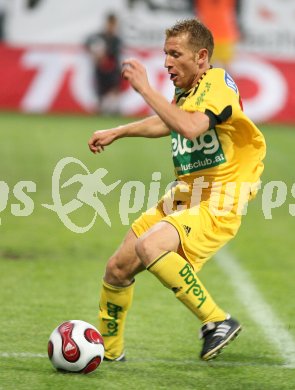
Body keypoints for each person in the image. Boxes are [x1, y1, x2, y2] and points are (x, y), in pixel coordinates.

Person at [88, 18, 266, 362]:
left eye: (175, 54)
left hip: (221, 197)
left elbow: (188, 126)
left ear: (201, 57)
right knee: (117, 269)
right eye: (165, 54)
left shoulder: (216, 85)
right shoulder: (189, 87)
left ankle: (218, 320)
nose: (167, 62)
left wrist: (144, 89)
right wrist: (119, 131)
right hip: (187, 193)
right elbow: (169, 120)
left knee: (150, 245)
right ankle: (108, 354)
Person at [85, 13, 122, 114]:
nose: (111, 26)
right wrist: (95, 54)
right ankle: (100, 111)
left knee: (114, 91)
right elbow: (87, 43)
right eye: (110, 24)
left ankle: (114, 110)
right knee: (100, 94)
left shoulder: (116, 40)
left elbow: (115, 56)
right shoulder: (98, 37)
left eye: (113, 24)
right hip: (101, 70)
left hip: (113, 71)